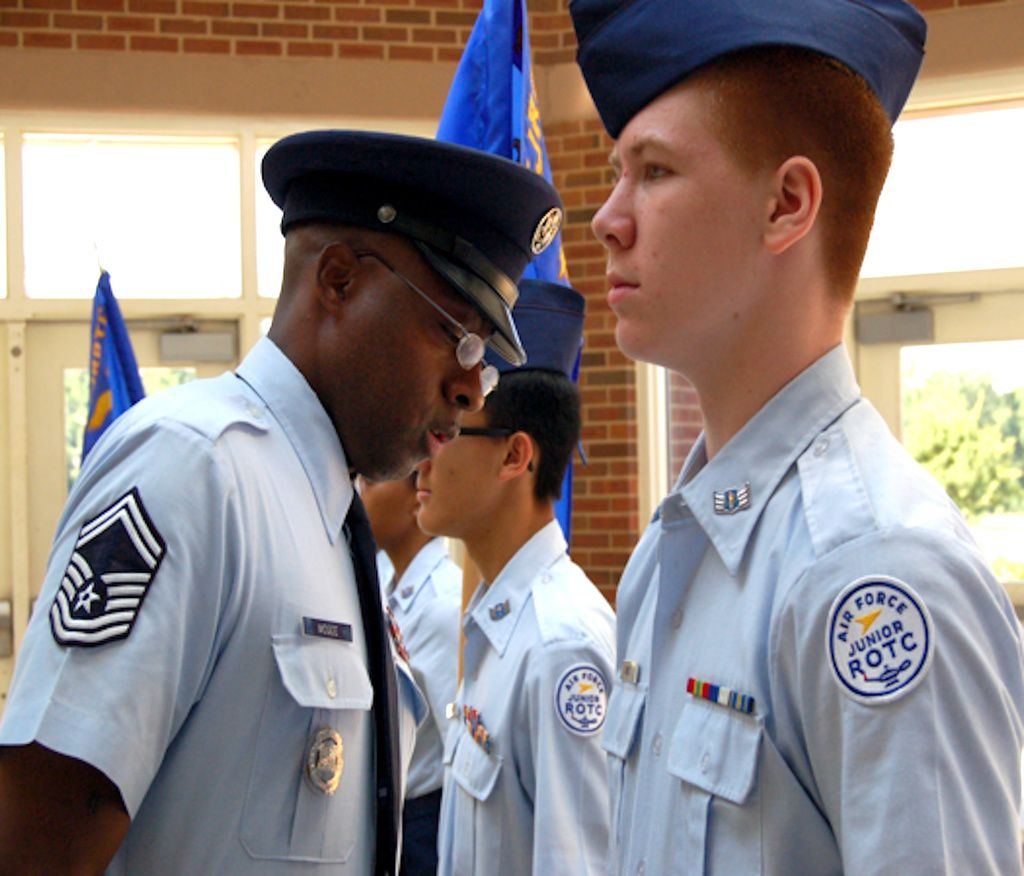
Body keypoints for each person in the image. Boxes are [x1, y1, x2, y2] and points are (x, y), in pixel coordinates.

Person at [0, 129, 563, 875]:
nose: (469, 387)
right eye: (455, 336)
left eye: (485, 366)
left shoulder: (330, 515)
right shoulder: (195, 471)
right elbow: (38, 834)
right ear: (338, 281)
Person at [568, 1, 1024, 873]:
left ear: (786, 204)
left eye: (654, 171)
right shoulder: (670, 557)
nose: (607, 218)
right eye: (619, 172)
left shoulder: (875, 568)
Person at [415, 280, 615, 876]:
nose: (421, 457)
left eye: (447, 433)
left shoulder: (560, 647)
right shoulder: (494, 619)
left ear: (514, 457)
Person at [360, 472, 462, 875]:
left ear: (416, 497)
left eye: (369, 482)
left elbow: (460, 755)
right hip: (388, 815)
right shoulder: (383, 580)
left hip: (424, 826)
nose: (359, 493)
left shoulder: (445, 606)